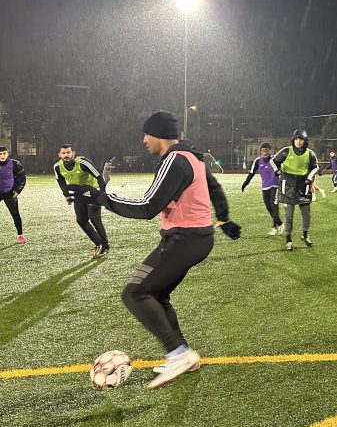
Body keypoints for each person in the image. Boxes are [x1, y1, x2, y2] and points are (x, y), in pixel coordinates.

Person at [89, 111, 241, 389]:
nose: (144, 140)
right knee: (157, 294)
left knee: (134, 293)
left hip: (185, 239)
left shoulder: (175, 160)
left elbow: (148, 206)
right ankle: (185, 356)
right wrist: (224, 219)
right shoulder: (192, 157)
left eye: (146, 134)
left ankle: (178, 353)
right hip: (195, 238)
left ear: (158, 134)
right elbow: (215, 188)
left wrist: (104, 199)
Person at [53, 144, 109, 257]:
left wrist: (102, 193)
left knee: (94, 218)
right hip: (79, 194)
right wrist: (67, 195)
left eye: (68, 152)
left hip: (93, 193)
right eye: (63, 153)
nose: (66, 155)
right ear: (59, 155)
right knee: (81, 220)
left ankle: (105, 246)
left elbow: (98, 176)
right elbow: (61, 182)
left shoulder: (83, 163)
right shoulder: (57, 167)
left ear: (73, 153)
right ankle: (98, 244)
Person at [272, 129, 320, 251]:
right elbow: (273, 162)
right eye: (297, 139)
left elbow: (315, 167)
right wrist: (277, 171)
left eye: (301, 139)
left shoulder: (310, 154)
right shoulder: (286, 151)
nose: (299, 141)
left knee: (306, 214)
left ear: (305, 141)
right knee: (289, 216)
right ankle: (288, 239)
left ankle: (305, 235)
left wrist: (310, 179)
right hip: (287, 186)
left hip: (303, 186)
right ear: (293, 139)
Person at [242, 142, 284, 235]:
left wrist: (279, 172)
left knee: (274, 205)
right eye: (263, 150)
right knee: (268, 207)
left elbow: (281, 170)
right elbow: (251, 173)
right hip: (265, 186)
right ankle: (279, 223)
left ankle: (275, 227)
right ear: (261, 151)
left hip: (275, 185)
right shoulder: (257, 161)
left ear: (270, 151)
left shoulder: (274, 159)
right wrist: (245, 183)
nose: (265, 152)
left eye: (267, 150)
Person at [0, 146, 26, 243]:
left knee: (15, 214)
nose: (2, 156)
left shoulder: (15, 164)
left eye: (4, 153)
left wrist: (18, 190)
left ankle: (20, 235)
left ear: (7, 153)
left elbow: (21, 177)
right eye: (0, 154)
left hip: (9, 193)